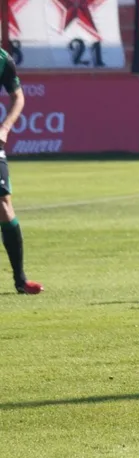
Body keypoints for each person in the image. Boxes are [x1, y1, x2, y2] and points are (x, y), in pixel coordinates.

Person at [0, 48, 42, 295]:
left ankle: (21, 280)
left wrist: (5, 127)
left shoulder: (3, 60)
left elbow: (18, 96)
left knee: (4, 205)